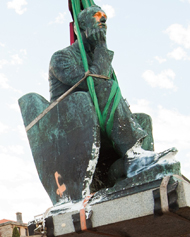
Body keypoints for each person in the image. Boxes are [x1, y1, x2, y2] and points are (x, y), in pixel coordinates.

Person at [48, 5, 177, 178]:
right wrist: (102, 47)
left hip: (97, 120)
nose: (103, 20)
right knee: (106, 86)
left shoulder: (96, 58)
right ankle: (133, 156)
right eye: (97, 17)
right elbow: (94, 86)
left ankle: (139, 167)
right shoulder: (61, 57)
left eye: (104, 18)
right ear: (82, 28)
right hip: (73, 124)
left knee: (143, 120)